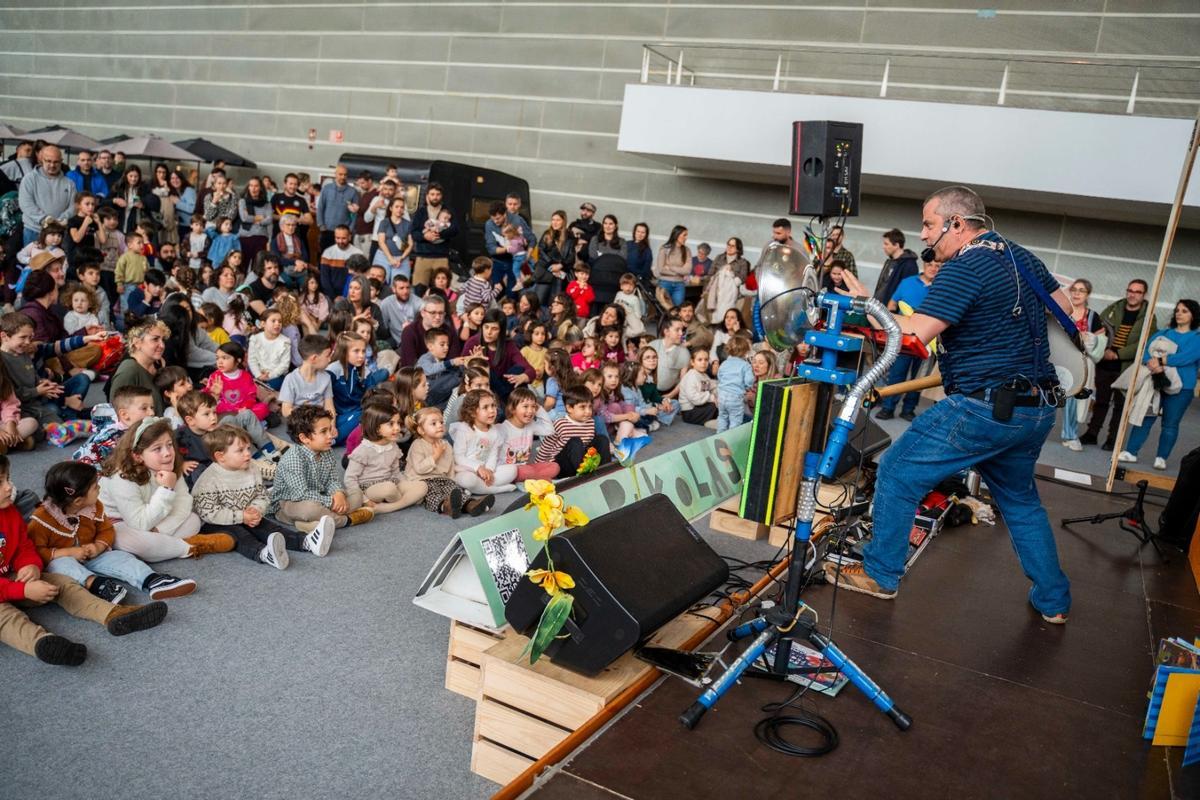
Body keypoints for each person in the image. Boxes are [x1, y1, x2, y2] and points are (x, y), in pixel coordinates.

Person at [830, 185, 1072, 625]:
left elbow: (914, 334)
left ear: (957, 223)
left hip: (984, 407)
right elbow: (1065, 308)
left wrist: (865, 307)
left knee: (897, 470)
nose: (923, 235)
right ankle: (1054, 601)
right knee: (1020, 502)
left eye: (929, 224)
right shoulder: (1022, 256)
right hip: (1036, 408)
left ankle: (880, 575)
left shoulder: (965, 266)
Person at [1, 457, 169, 667]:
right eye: (0, 482)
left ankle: (112, 615)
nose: (9, 487)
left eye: (7, 478)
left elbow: (24, 546)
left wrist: (30, 564)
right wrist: (23, 591)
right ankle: (42, 644)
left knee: (63, 584)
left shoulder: (9, 512)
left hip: (12, 576)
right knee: (6, 619)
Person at [192, 425, 336, 569]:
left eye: (248, 448)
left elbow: (262, 495)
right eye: (240, 450)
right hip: (214, 522)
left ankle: (306, 542)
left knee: (268, 527)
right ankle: (263, 553)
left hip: (245, 514)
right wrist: (241, 516)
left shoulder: (252, 468)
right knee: (240, 534)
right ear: (220, 456)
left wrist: (256, 509)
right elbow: (208, 513)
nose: (248, 454)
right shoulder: (209, 481)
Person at [98, 417, 235, 563]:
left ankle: (162, 547)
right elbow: (140, 523)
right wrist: (166, 489)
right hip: (119, 521)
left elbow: (183, 504)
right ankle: (190, 546)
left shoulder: (171, 466)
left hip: (155, 519)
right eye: (157, 449)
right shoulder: (122, 478)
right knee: (130, 542)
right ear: (138, 456)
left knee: (193, 520)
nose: (168, 453)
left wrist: (160, 530)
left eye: (169, 445)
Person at [1118, 299, 1199, 470]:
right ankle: (1131, 452)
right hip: (1155, 380)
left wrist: (1160, 360)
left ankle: (1161, 457)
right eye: (1177, 310)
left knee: (1170, 423)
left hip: (1182, 387)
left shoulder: (1196, 338)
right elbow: (1146, 352)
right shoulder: (1163, 333)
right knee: (1145, 416)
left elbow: (1186, 358)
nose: (1179, 313)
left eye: (1184, 311)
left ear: (1193, 316)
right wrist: (1153, 364)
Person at [1081, 279, 1158, 450]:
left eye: (1137, 292)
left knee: (1120, 405)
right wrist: (1104, 351)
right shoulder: (1113, 309)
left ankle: (1112, 438)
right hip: (1105, 362)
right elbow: (1099, 331)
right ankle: (1092, 433)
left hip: (1126, 366)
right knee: (1100, 401)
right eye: (1130, 290)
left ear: (1144, 295)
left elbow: (1144, 343)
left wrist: (1118, 354)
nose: (1132, 294)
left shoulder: (1149, 317)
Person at [877, 258, 941, 421]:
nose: (933, 268)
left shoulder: (943, 286)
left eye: (937, 266)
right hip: (905, 338)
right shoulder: (907, 282)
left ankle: (908, 409)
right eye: (930, 265)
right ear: (923, 265)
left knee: (919, 378)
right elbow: (891, 305)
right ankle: (888, 408)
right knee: (897, 373)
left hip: (929, 340)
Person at [405, 406, 491, 518]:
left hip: (443, 479)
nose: (440, 425)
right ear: (421, 430)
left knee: (454, 490)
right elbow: (419, 469)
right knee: (433, 494)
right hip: (422, 480)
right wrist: (436, 455)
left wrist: (453, 482)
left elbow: (450, 468)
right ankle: (445, 506)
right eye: (434, 423)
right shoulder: (418, 445)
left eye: (441, 422)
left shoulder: (446, 445)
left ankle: (470, 505)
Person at [344, 404, 427, 514]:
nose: (397, 428)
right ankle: (403, 500)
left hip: (391, 482)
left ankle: (387, 507)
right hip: (369, 488)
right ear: (377, 428)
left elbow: (396, 473)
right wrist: (365, 500)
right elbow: (349, 479)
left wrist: (407, 485)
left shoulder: (393, 447)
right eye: (391, 424)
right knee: (389, 489)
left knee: (422, 486)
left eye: (398, 423)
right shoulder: (363, 450)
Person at [1059, 279, 1109, 451]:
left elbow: (1101, 341)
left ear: (1088, 294)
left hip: (1080, 362)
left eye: (1081, 290)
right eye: (1074, 289)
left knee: (1073, 397)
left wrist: (1090, 341)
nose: (1077, 293)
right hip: (1059, 359)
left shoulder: (1093, 316)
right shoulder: (1062, 311)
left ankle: (1070, 434)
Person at [451, 389, 516, 496]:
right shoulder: (464, 429)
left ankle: (477, 488)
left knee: (513, 470)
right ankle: (494, 490)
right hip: (466, 470)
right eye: (485, 407)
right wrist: (478, 468)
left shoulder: (495, 431)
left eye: (493, 406)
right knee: (467, 480)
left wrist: (489, 470)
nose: (492, 410)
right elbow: (458, 457)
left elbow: (493, 455)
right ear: (472, 412)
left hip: (485, 471)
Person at [534, 385, 611, 475]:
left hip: (582, 461)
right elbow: (546, 446)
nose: (588, 411)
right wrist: (537, 468)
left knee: (602, 439)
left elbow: (589, 445)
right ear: (569, 408)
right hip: (562, 465)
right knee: (575, 441)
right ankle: (584, 475)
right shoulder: (560, 424)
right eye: (583, 407)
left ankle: (605, 471)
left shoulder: (590, 422)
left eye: (590, 407)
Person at [18, 145, 75, 246]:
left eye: (56, 162)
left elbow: (74, 205)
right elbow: (25, 204)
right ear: (41, 160)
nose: (52, 165)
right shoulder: (29, 179)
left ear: (61, 161)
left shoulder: (69, 183)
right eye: (48, 161)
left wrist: (62, 219)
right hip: (34, 231)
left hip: (59, 233)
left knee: (58, 257)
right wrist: (44, 219)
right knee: (33, 257)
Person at [408, 182, 457, 289]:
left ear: (441, 196)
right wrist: (425, 236)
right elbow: (414, 233)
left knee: (441, 290)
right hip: (423, 256)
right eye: (432, 194)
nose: (435, 197)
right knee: (419, 288)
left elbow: (455, 230)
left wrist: (439, 233)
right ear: (427, 195)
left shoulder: (448, 211)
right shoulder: (421, 212)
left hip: (441, 257)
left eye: (438, 194)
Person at [531, 211, 574, 306]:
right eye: (553, 219)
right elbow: (541, 252)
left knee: (555, 303)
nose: (554, 222)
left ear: (563, 221)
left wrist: (560, 265)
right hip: (545, 273)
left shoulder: (569, 235)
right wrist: (551, 266)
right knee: (538, 301)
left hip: (560, 274)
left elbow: (571, 256)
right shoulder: (547, 234)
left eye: (558, 220)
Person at [716, 333, 754, 432]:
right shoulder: (745, 365)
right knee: (735, 420)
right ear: (745, 352)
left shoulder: (724, 363)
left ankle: (719, 435)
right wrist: (747, 386)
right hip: (735, 398)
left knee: (722, 417)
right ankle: (731, 438)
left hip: (722, 396)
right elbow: (749, 380)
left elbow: (719, 377)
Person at [316, 165, 359, 253]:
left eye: (345, 175)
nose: (343, 177)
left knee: (343, 257)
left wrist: (350, 230)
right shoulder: (327, 189)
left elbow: (355, 214)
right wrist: (321, 225)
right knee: (325, 255)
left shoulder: (353, 192)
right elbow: (320, 208)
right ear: (335, 174)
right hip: (327, 230)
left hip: (344, 233)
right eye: (340, 174)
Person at [874, 228, 920, 304]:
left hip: (891, 308)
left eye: (886, 244)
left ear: (896, 245)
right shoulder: (890, 262)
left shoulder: (909, 265)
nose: (883, 247)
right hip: (879, 306)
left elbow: (907, 291)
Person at [318, 224, 361, 301]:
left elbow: (360, 278)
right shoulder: (327, 253)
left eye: (343, 238)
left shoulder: (358, 254)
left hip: (352, 296)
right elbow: (324, 279)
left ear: (349, 237)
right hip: (331, 296)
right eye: (337, 238)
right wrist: (333, 297)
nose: (340, 241)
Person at [677, 347, 718, 426]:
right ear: (692, 362)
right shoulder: (691, 376)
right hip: (689, 412)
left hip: (699, 406)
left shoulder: (704, 376)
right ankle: (711, 422)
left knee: (720, 404)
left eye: (706, 360)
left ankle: (715, 420)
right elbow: (694, 398)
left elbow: (712, 386)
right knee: (713, 406)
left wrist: (719, 395)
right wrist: (711, 397)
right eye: (700, 360)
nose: (703, 363)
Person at [655, 225, 690, 308]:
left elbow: (687, 270)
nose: (686, 238)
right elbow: (661, 269)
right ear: (677, 235)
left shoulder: (687, 250)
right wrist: (680, 272)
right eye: (684, 235)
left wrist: (670, 267)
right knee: (664, 310)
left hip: (679, 285)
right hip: (664, 284)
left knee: (678, 309)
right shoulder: (664, 249)